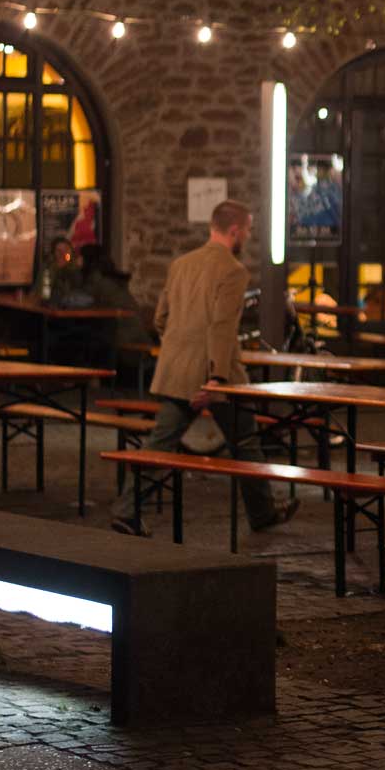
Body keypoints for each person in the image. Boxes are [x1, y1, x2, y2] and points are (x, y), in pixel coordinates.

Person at [111, 200, 296, 537]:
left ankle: (126, 511)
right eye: (248, 231)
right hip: (216, 375)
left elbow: (161, 318)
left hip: (176, 372)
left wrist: (181, 349)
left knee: (161, 443)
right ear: (235, 231)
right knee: (245, 440)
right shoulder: (233, 271)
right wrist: (216, 379)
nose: (248, 237)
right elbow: (222, 327)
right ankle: (262, 512)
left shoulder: (181, 264)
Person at [31, 237, 77, 305]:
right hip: (48, 304)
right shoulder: (48, 267)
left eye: (66, 249)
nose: (63, 253)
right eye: (59, 250)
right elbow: (39, 288)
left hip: (70, 304)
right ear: (54, 252)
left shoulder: (76, 268)